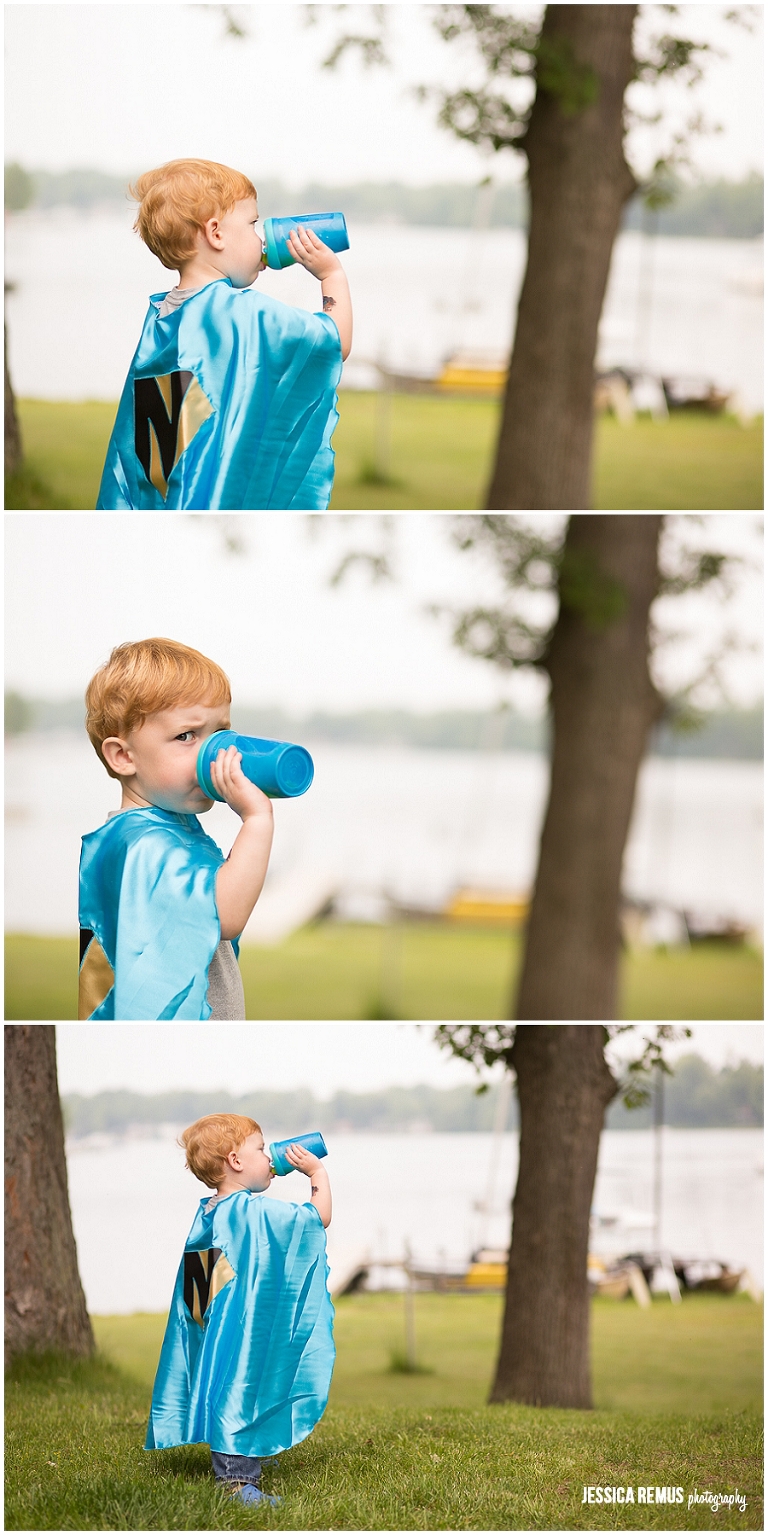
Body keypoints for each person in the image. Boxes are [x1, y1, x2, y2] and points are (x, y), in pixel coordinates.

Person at [96, 158, 352, 510]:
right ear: (216, 233)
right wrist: (331, 275)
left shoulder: (160, 321)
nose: (260, 237)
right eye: (252, 223)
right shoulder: (242, 313)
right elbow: (333, 342)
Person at [79, 636, 273, 1020]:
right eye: (187, 736)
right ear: (123, 756)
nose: (212, 753)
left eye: (218, 734)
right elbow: (226, 915)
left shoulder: (166, 831)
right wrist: (257, 820)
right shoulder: (144, 846)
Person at [146, 1114, 334, 1506]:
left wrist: (202, 1329)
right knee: (242, 1386)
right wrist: (317, 1173)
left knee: (227, 1383)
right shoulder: (250, 1210)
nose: (269, 1158)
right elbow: (317, 1218)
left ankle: (246, 1456)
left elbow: (200, 1278)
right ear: (235, 1161)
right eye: (262, 1149)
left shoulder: (212, 1208)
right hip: (240, 1331)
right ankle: (235, 1482)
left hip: (219, 1325)